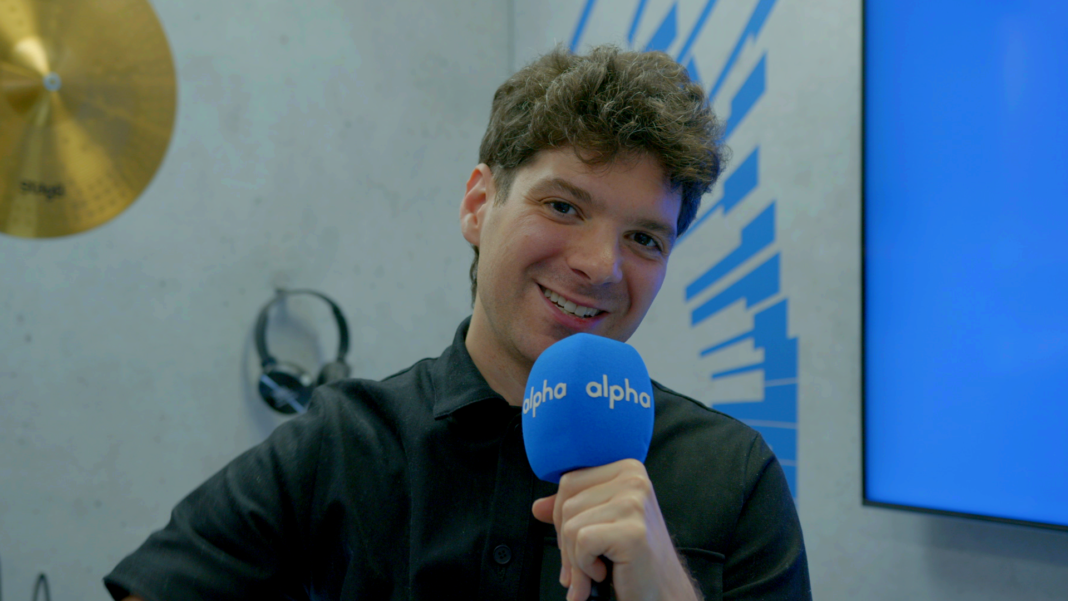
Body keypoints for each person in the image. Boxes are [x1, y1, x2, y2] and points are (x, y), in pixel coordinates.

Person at [105, 45, 811, 601]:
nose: (601, 266)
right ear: (479, 205)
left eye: (645, 238)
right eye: (563, 206)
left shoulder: (735, 475)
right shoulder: (344, 444)